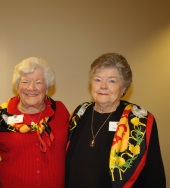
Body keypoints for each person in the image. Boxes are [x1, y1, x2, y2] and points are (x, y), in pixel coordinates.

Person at [65, 53, 166, 188]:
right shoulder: (80, 113)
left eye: (112, 81)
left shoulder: (140, 121)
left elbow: (154, 177)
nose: (103, 86)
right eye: (98, 79)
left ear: (124, 87)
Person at [0, 57, 69, 188]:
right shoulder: (1, 116)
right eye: (25, 82)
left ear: (47, 87)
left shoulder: (60, 111)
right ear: (17, 86)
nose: (31, 88)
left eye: (38, 82)